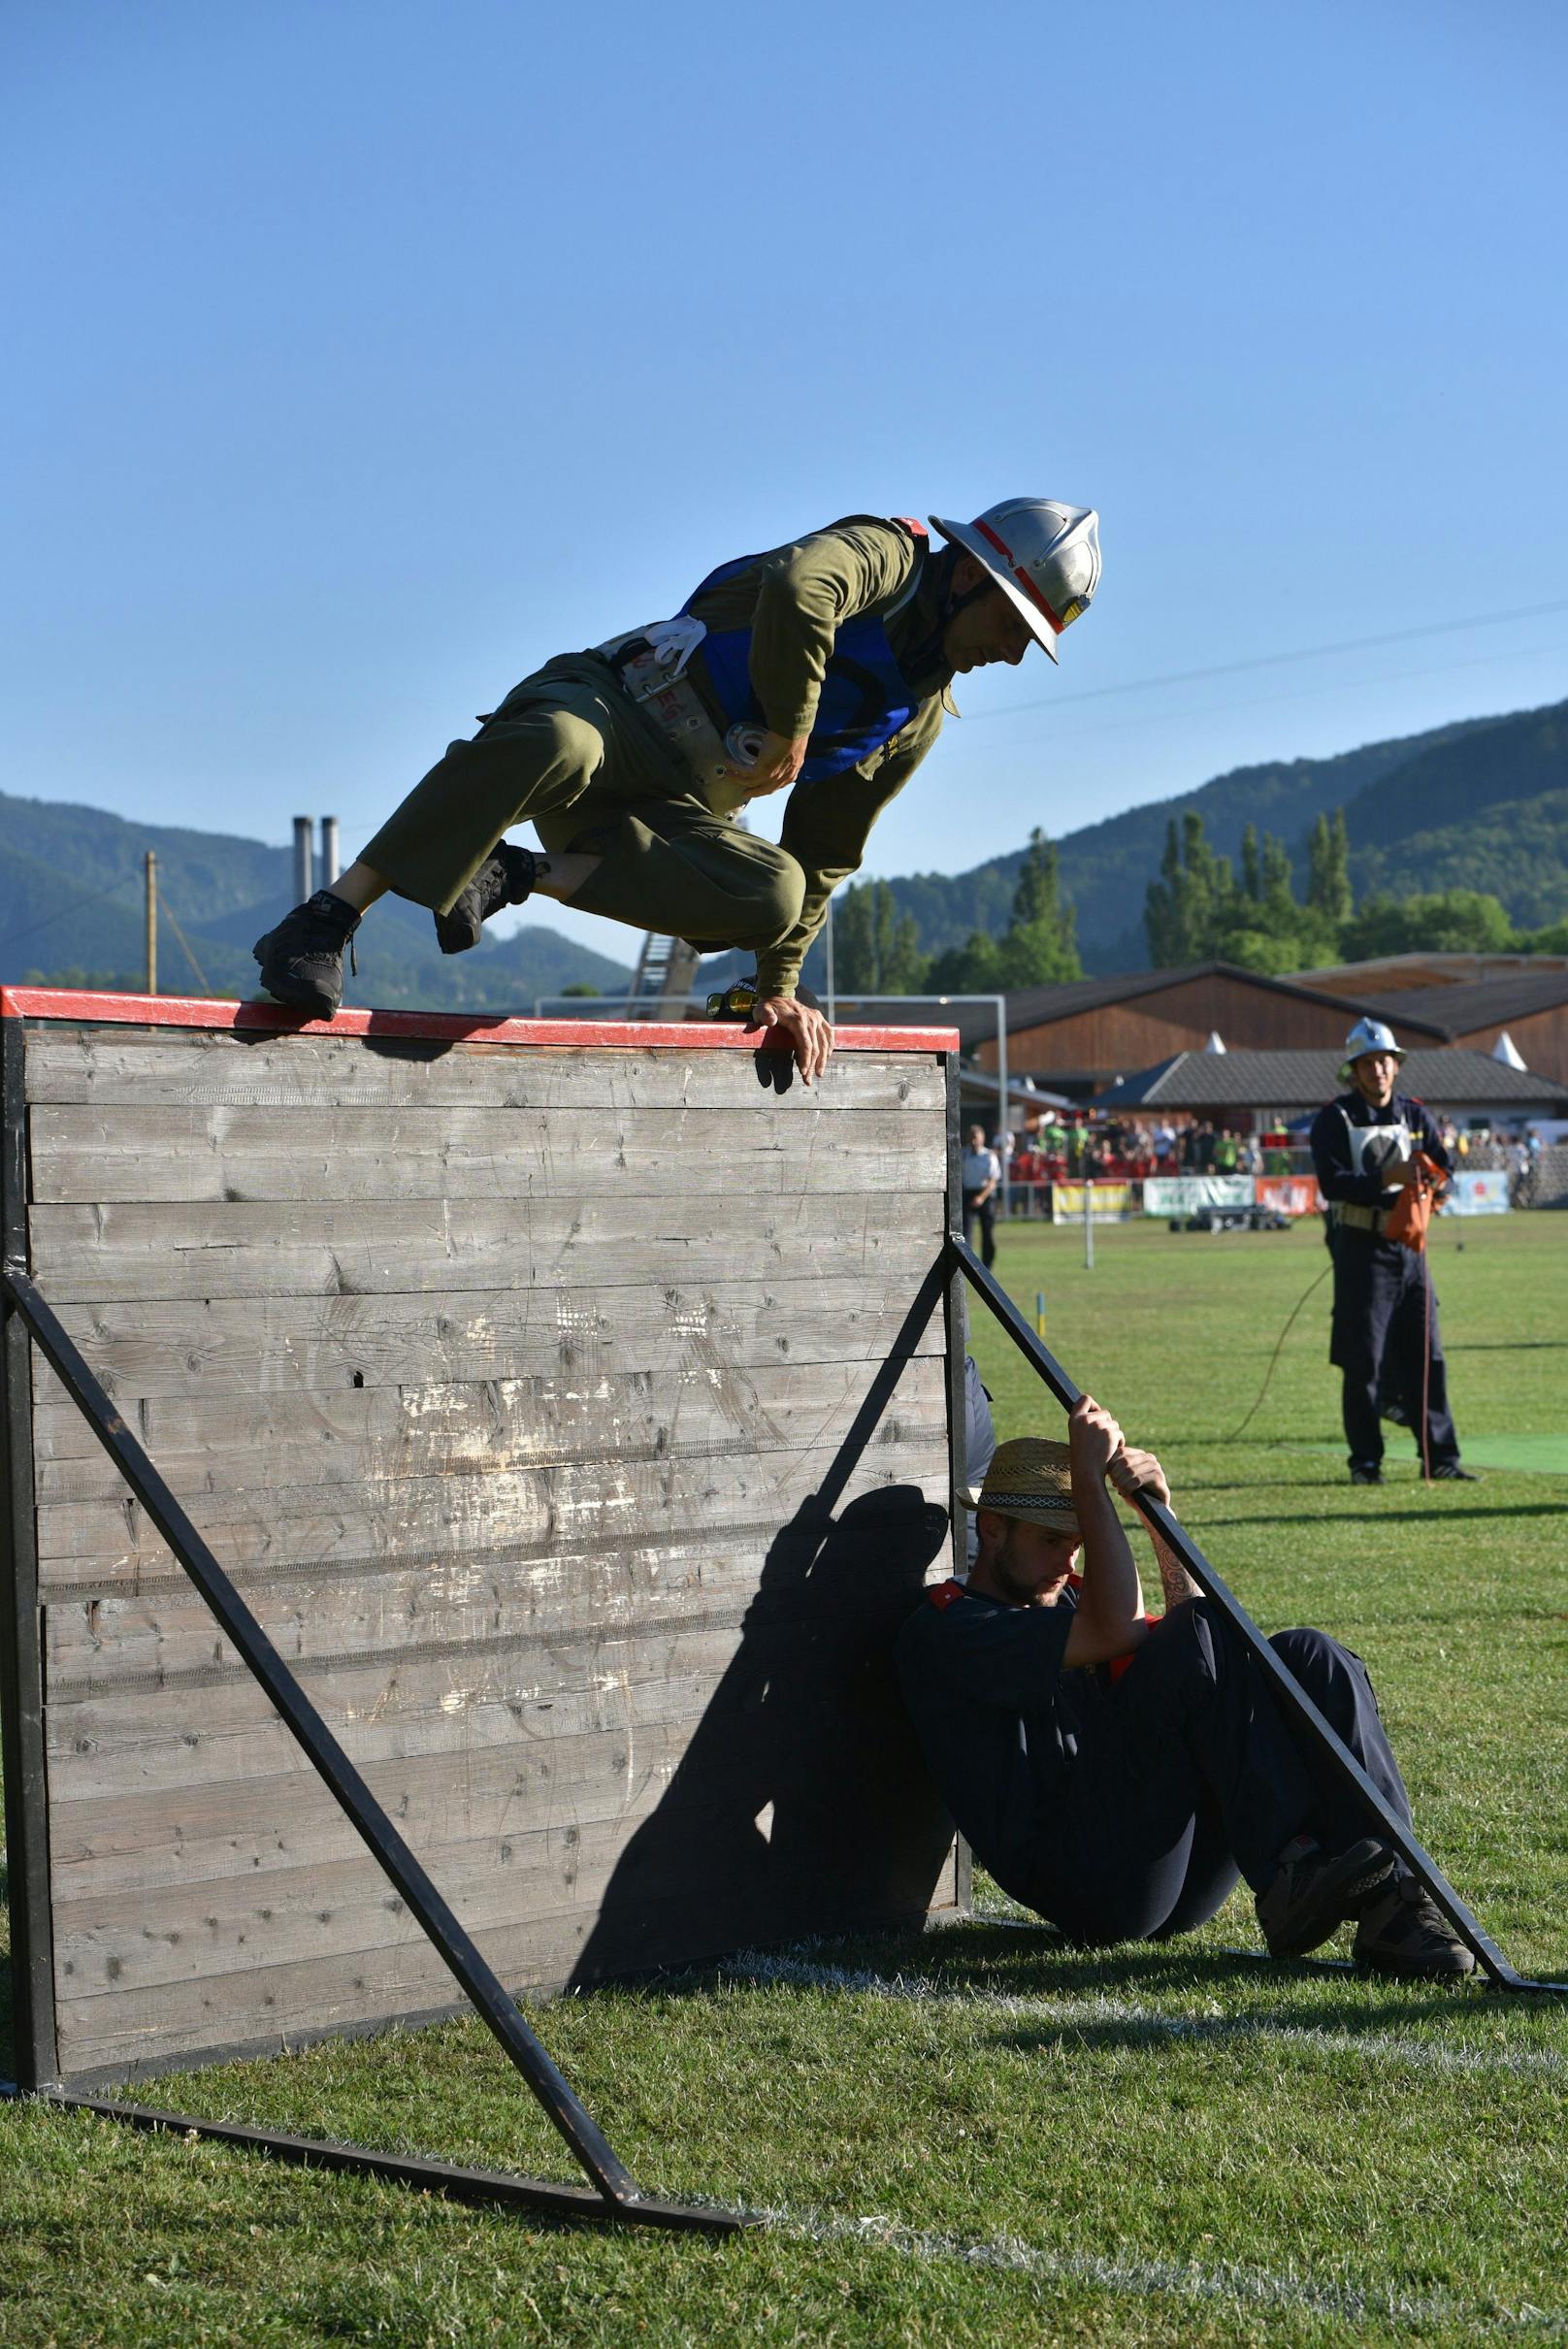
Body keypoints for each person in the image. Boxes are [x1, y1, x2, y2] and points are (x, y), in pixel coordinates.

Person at [252, 498, 1102, 1083]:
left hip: (667, 803)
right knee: (558, 742)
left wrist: (777, 987)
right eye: (1010, 624)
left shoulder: (915, 718)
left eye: (1032, 641)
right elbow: (799, 587)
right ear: (967, 576)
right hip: (614, 706)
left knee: (778, 889)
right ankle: (326, 917)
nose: (1013, 653)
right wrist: (794, 724)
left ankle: (512, 876)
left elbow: (826, 850)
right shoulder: (890, 556)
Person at [896, 1407, 1474, 1976]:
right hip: (1091, 1887)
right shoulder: (949, 1630)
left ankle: (1398, 1902)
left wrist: (1157, 1518)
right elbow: (1131, 1631)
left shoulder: (1066, 1598)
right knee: (1198, 1627)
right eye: (1052, 1540)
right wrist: (1095, 1489)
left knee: (1308, 1654)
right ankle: (1288, 1871)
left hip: (1171, 1872)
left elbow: (1194, 1646)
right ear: (992, 1528)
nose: (1066, 1560)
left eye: (1075, 1544)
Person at [1309, 1018, 1476, 1485]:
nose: (1378, 1070)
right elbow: (1332, 1182)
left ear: (1396, 1067)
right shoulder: (1335, 1118)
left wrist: (1436, 1185)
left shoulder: (1415, 1115)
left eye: (1385, 1061)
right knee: (1363, 1360)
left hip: (1412, 1250)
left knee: (1428, 1353)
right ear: (1354, 1070)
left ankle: (1440, 1457)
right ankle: (1366, 1462)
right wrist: (1389, 1178)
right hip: (1361, 1248)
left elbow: (1445, 1164)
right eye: (1368, 1063)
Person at [961, 1123, 1002, 1268]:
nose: (973, 1141)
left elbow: (993, 1181)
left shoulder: (989, 1156)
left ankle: (987, 1264)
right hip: (968, 1193)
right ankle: (966, 1263)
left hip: (985, 1195)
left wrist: (981, 1197)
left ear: (982, 1139)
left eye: (976, 1138)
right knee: (964, 1231)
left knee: (988, 1232)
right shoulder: (962, 1154)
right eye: (971, 1137)